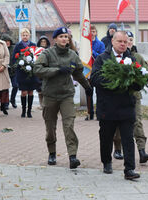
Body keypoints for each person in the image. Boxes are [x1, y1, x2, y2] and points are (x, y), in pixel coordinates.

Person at [34, 27, 93, 169]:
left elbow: (78, 73)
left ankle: (73, 156)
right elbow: (37, 69)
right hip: (50, 96)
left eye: (66, 36)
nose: (64, 39)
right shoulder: (47, 54)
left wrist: (87, 87)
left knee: (69, 126)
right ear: (55, 39)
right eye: (61, 36)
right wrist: (57, 70)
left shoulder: (72, 55)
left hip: (66, 95)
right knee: (50, 128)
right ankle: (52, 152)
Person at [91, 31, 141, 180]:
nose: (123, 44)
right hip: (108, 106)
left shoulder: (131, 59)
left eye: (125, 42)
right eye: (120, 41)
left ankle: (129, 169)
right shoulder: (102, 58)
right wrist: (114, 81)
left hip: (126, 106)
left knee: (128, 138)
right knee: (106, 137)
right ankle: (106, 161)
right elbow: (94, 78)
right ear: (112, 41)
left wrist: (136, 81)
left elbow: (138, 82)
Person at [112, 31, 148, 163]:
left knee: (137, 121)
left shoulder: (137, 57)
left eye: (129, 40)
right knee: (118, 123)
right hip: (118, 95)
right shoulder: (114, 57)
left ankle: (142, 150)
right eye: (124, 40)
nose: (127, 42)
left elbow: (145, 73)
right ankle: (117, 148)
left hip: (134, 95)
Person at [12, 28, 38, 118]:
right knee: (24, 92)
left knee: (31, 92)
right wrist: (20, 63)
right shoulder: (18, 46)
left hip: (32, 73)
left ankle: (29, 111)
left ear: (29, 36)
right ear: (21, 36)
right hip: (22, 72)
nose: (25, 37)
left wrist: (33, 63)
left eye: (26, 35)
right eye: (23, 35)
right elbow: (14, 58)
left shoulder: (33, 45)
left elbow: (37, 56)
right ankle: (23, 110)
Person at [85, 25, 105, 121]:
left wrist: (92, 51)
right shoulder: (85, 43)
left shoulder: (100, 44)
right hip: (88, 70)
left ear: (96, 33)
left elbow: (102, 56)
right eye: (90, 31)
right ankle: (90, 113)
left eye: (93, 31)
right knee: (88, 92)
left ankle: (99, 113)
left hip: (97, 70)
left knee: (99, 93)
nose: (92, 33)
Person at [1, 33, 16, 110]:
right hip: (4, 70)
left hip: (14, 70)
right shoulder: (1, 49)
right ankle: (6, 103)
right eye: (6, 41)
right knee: (5, 88)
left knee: (15, 86)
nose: (7, 43)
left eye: (8, 41)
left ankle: (12, 99)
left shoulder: (14, 48)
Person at [36, 35, 51, 110]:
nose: (43, 43)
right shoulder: (36, 50)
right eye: (42, 41)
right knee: (39, 89)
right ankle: (41, 104)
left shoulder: (50, 50)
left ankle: (46, 104)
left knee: (46, 88)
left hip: (46, 70)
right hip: (39, 71)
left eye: (44, 41)